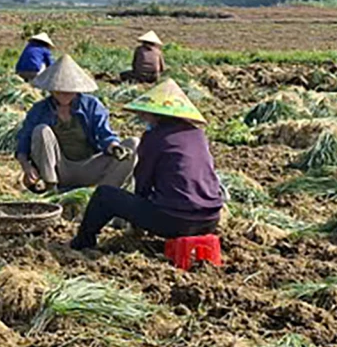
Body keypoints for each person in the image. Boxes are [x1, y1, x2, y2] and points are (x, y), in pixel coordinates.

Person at [71, 79, 223, 250]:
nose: (143, 117)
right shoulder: (197, 135)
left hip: (177, 221)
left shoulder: (154, 138)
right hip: (211, 218)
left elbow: (143, 181)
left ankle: (83, 242)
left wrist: (138, 220)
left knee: (104, 196)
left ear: (157, 115)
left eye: (146, 113)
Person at [16, 56, 136, 195]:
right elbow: (23, 143)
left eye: (69, 90)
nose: (64, 93)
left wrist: (114, 147)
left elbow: (104, 135)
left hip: (90, 166)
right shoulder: (40, 110)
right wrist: (27, 167)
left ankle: (103, 194)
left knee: (133, 143)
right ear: (51, 88)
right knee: (41, 130)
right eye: (59, 89)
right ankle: (51, 187)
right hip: (59, 168)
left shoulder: (91, 105)